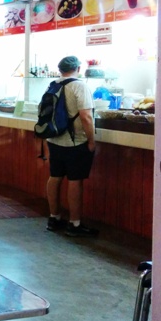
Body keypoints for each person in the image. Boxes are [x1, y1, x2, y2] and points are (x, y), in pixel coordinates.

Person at [45, 56, 98, 237]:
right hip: (76, 142)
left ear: (60, 69)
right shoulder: (80, 86)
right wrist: (91, 141)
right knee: (75, 180)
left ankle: (54, 218)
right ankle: (74, 224)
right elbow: (86, 116)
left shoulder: (52, 84)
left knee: (55, 177)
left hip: (54, 139)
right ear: (78, 68)